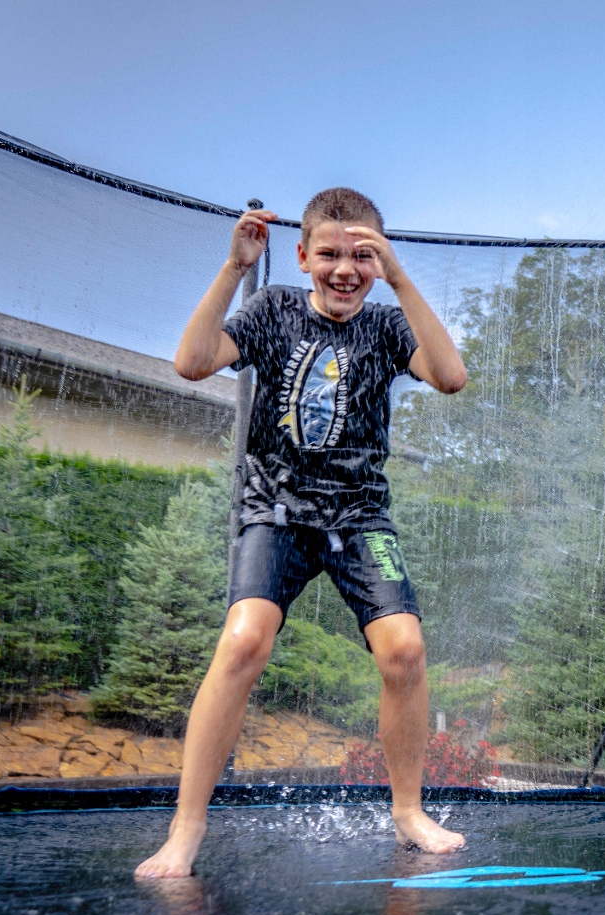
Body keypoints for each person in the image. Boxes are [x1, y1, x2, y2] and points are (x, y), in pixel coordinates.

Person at [136, 188, 469, 877]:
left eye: (363, 256)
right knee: (243, 639)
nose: (345, 269)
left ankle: (406, 812)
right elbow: (191, 363)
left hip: (359, 513)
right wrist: (233, 268)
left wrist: (402, 280)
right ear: (302, 255)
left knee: (404, 650)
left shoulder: (384, 324)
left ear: (379, 261)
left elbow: (451, 377)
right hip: (276, 509)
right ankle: (185, 829)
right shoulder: (273, 309)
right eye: (330, 254)